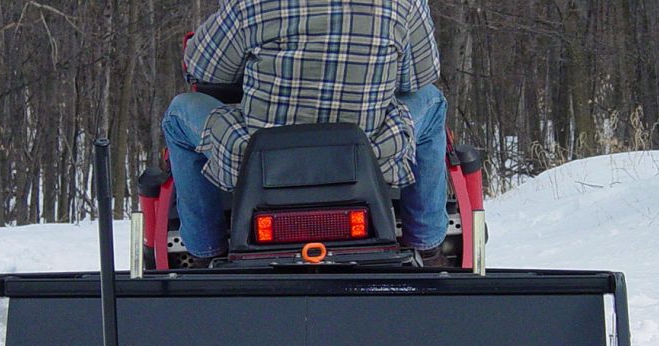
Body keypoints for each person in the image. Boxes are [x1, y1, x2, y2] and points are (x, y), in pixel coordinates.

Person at [162, 0, 449, 266]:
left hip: (261, 163)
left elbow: (204, 70)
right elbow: (417, 78)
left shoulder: (248, 3)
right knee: (432, 101)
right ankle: (425, 246)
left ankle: (206, 252)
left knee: (179, 112)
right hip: (368, 155)